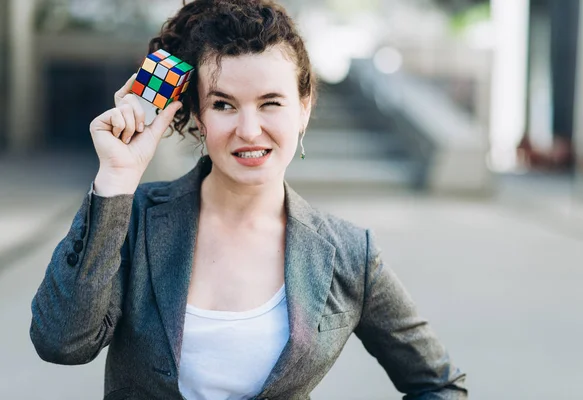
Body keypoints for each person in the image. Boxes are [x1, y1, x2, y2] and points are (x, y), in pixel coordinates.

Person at [30, 0, 468, 399]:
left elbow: (439, 384)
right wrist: (116, 179)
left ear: (304, 108)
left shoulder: (349, 255)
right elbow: (62, 341)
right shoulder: (136, 217)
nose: (249, 129)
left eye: (271, 102)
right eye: (223, 105)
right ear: (198, 117)